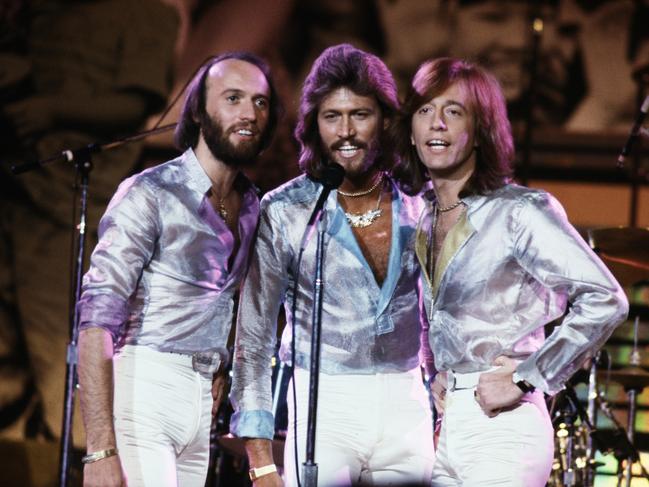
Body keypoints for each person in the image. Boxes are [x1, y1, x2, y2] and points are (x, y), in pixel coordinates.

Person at [393, 56, 629, 486]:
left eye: (454, 111)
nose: (437, 123)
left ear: (479, 130)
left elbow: (606, 298)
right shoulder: (420, 216)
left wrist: (526, 376)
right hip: (448, 428)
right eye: (425, 110)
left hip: (506, 424)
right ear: (410, 132)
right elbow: (437, 313)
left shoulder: (520, 211)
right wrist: (436, 371)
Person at [230, 43, 435, 487]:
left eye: (360, 114)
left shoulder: (422, 203)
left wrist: (446, 401)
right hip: (323, 402)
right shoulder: (287, 210)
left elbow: (445, 314)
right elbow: (253, 337)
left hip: (406, 401)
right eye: (331, 117)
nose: (346, 131)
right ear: (312, 125)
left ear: (384, 118)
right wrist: (260, 458)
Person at [76, 52, 281, 487]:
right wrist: (98, 448)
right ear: (200, 113)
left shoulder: (253, 207)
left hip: (201, 401)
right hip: (142, 387)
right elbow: (95, 320)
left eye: (260, 102)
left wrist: (220, 363)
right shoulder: (150, 193)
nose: (250, 113)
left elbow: (232, 303)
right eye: (233, 98)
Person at [0, 0, 178, 449]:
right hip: (15, 193)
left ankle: (79, 456)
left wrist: (53, 109)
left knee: (62, 358)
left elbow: (138, 104)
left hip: (69, 209)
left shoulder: (146, 13)